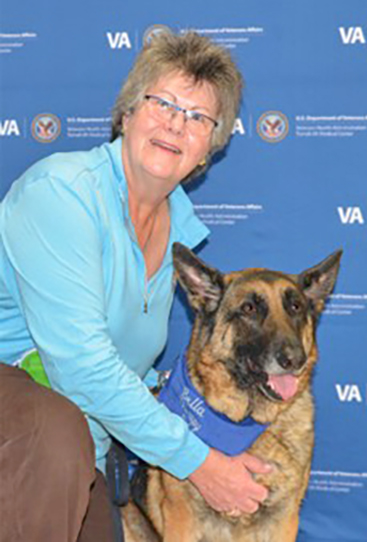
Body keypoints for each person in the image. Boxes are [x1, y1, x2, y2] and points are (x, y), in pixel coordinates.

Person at [0, 32, 266, 542]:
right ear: (126, 113)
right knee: (57, 431)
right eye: (162, 103)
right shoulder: (61, 192)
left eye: (197, 117)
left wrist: (220, 440)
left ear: (211, 146)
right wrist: (200, 463)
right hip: (25, 416)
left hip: (84, 448)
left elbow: (133, 374)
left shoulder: (181, 237)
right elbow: (81, 368)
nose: (175, 123)